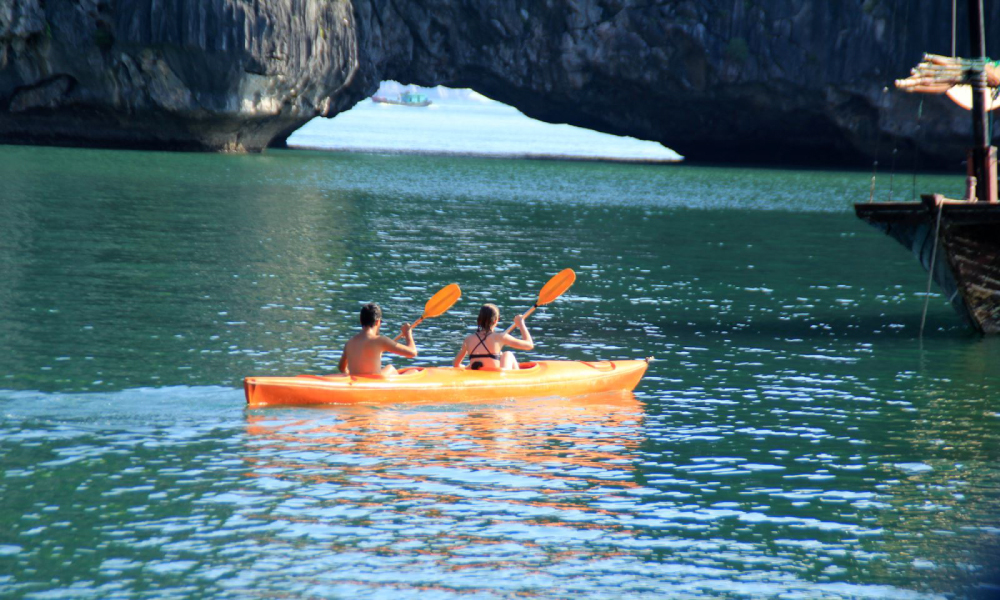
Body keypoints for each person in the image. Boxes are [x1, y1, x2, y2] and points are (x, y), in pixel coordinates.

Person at [338, 303, 416, 376]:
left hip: (357, 382)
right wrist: (408, 333)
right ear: (377, 322)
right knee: (411, 371)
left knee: (389, 368)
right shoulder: (380, 340)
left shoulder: (349, 343)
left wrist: (350, 375)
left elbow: (341, 368)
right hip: (375, 382)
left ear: (361, 321)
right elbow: (412, 353)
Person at [453, 303, 533, 370]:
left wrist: (466, 367)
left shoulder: (468, 339)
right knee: (507, 354)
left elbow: (456, 364)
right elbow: (529, 345)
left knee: (500, 355)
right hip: (497, 377)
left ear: (479, 320)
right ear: (495, 320)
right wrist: (521, 324)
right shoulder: (500, 337)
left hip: (477, 375)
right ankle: (518, 380)